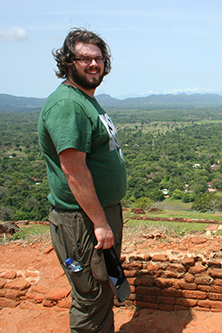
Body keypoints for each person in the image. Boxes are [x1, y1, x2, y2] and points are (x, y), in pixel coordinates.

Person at [38, 28, 127, 333]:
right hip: (83, 221)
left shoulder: (85, 101)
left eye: (98, 58)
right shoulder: (69, 105)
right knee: (91, 295)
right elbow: (74, 171)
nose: (93, 64)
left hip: (94, 216)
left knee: (103, 290)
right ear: (67, 62)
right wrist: (100, 223)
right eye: (84, 58)